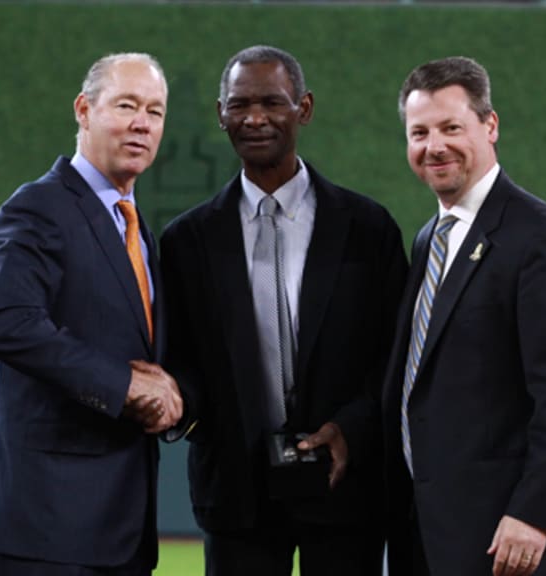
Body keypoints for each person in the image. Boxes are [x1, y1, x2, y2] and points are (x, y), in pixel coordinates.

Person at [160, 45, 407, 576]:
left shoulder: (368, 229)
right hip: (235, 496)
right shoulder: (186, 241)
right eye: (239, 104)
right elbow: (179, 356)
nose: (254, 118)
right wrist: (177, 400)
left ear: (304, 108)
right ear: (220, 113)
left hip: (345, 487)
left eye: (272, 102)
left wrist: (351, 428)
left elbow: (395, 353)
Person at [383, 56, 546, 576]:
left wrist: (534, 512)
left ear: (490, 126)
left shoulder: (542, 238)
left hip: (510, 542)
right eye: (419, 132)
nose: (433, 146)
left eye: (450, 128)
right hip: (431, 534)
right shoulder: (427, 241)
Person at [0, 52, 182, 576]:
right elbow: (0, 319)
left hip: (119, 530)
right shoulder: (37, 206)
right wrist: (121, 385)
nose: (142, 123)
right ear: (83, 110)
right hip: (43, 529)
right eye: (126, 105)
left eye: (155, 111)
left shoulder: (138, 228)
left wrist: (174, 394)